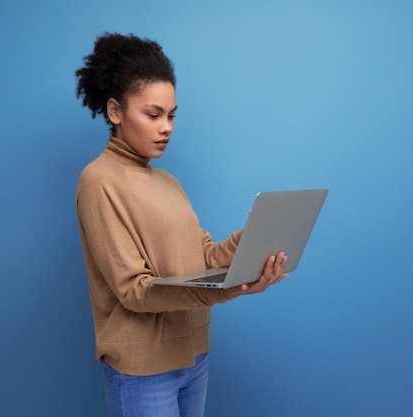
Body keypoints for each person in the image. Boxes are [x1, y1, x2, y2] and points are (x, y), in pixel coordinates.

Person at [74, 32, 288, 417]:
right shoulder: (99, 180)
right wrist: (227, 291)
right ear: (115, 111)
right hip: (143, 372)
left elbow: (202, 256)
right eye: (153, 114)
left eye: (171, 116)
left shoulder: (168, 182)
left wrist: (253, 238)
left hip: (194, 356)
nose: (166, 127)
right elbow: (134, 290)